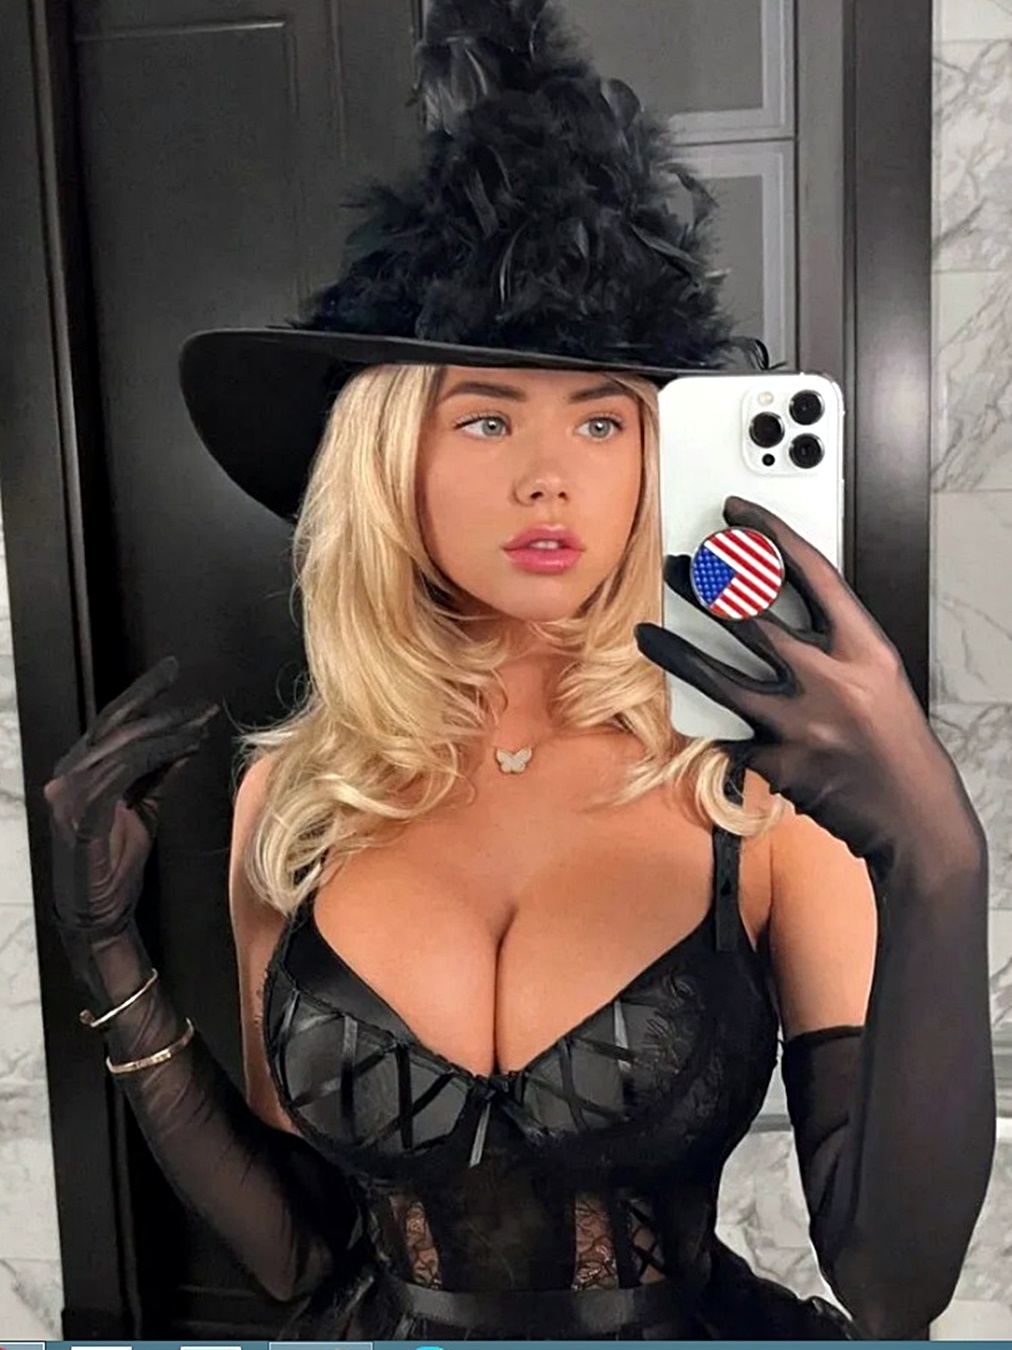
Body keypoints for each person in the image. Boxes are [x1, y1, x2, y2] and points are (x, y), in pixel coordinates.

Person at [42, 0, 994, 1340]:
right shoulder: (296, 803)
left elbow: (896, 1285)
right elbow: (304, 1254)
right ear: (391, 459)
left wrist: (939, 858)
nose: (551, 476)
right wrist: (108, 955)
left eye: (602, 421)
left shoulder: (757, 790)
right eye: (485, 417)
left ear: (654, 457)